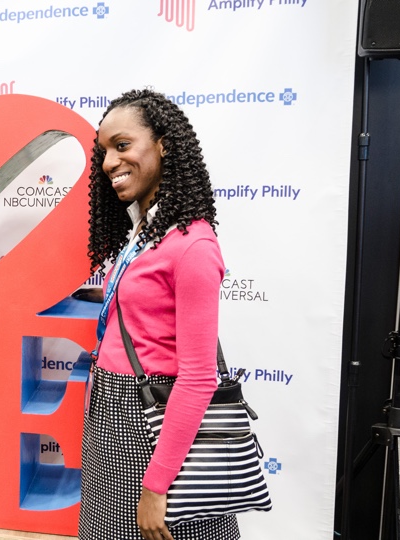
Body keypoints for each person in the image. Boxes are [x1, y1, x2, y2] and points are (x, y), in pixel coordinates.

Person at [79, 89, 236, 540]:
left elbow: (199, 378)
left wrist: (157, 485)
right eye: (104, 151)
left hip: (150, 428)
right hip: (110, 414)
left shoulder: (194, 246)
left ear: (164, 145)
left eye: (122, 146)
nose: (109, 162)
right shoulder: (145, 233)